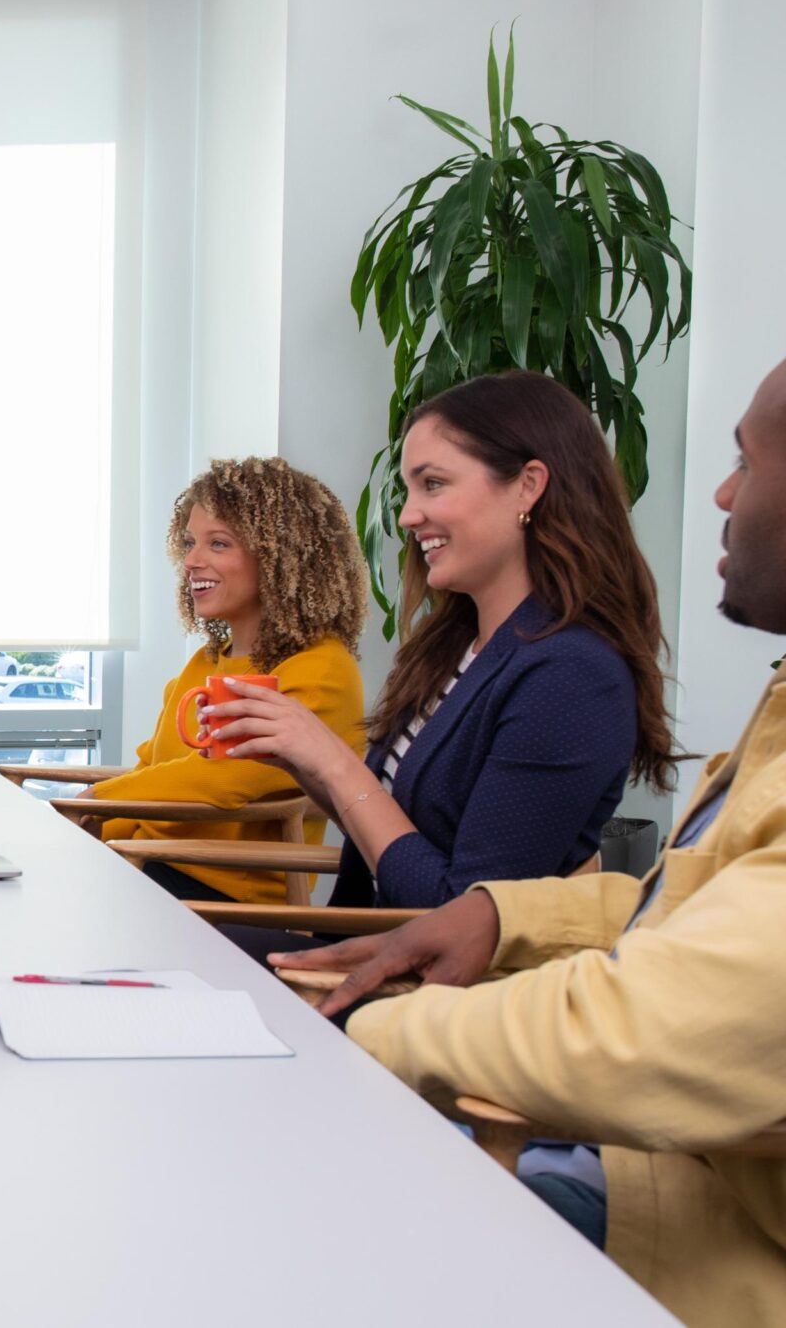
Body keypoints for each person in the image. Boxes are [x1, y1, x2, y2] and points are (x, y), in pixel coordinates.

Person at [275, 358, 786, 1328]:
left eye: (746, 463)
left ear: (528, 488)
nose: (718, 492)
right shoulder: (773, 709)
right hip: (643, 1159)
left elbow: (647, 1029)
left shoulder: (569, 673)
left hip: (682, 1209)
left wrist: (376, 1028)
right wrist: (505, 910)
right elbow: (671, 908)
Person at [196, 372, 678, 957]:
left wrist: (332, 760)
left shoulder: (571, 676)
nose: (408, 516)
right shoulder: (457, 646)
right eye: (410, 489)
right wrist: (304, 759)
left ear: (527, 486)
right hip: (365, 951)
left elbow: (459, 912)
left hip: (428, 995)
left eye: (433, 484)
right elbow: (392, 827)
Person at [81, 459, 368, 904]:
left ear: (278, 556)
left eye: (218, 544)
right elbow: (151, 774)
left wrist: (95, 800)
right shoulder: (205, 663)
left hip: (221, 899)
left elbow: (222, 780)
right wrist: (84, 835)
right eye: (190, 543)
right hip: (147, 867)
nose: (192, 561)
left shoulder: (321, 669)